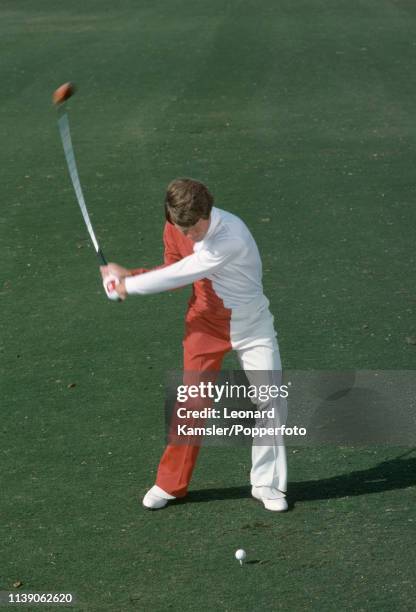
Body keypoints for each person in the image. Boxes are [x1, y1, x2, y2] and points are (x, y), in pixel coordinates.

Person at [100, 178, 288, 512]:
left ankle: (267, 484)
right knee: (193, 403)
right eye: (180, 229)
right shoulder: (177, 225)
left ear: (208, 212)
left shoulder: (230, 235)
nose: (188, 236)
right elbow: (175, 269)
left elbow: (184, 273)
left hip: (252, 324)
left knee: (271, 400)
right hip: (204, 324)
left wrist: (127, 285)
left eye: (193, 229)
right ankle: (171, 485)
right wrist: (127, 275)